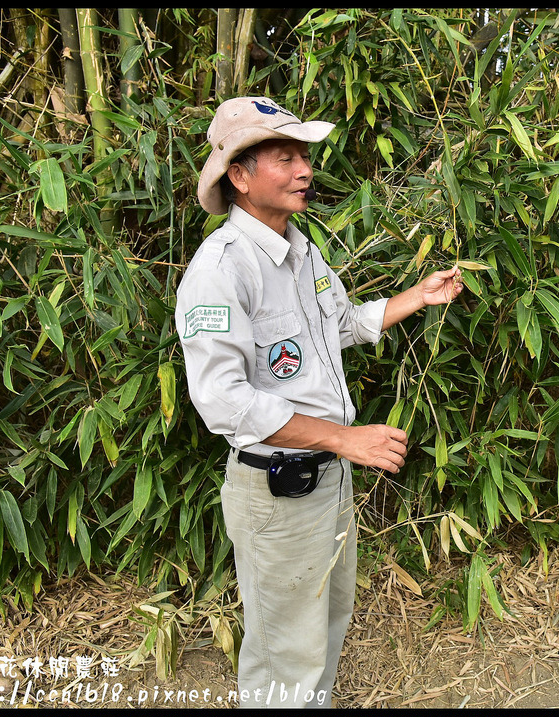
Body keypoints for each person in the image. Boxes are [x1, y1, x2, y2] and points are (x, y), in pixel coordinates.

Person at [175, 96, 463, 708]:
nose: (306, 169)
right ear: (241, 176)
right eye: (286, 157)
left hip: (326, 483)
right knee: (285, 652)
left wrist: (415, 296)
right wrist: (342, 438)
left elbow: (338, 326)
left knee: (323, 632)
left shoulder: (301, 250)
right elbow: (222, 401)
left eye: (305, 155)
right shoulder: (222, 269)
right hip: (278, 491)